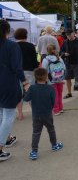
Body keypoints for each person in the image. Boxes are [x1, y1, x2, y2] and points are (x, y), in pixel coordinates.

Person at [0, 20, 29, 161]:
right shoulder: (12, 46)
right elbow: (17, 67)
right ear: (7, 31)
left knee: (1, 114)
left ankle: (7, 138)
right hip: (8, 83)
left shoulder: (11, 45)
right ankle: (0, 147)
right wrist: (25, 82)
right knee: (8, 116)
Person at [23, 68, 63, 160]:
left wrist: (26, 91)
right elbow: (53, 102)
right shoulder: (50, 88)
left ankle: (34, 151)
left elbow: (26, 99)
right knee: (51, 129)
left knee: (36, 132)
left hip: (36, 114)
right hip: (47, 114)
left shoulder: (32, 88)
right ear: (46, 78)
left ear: (35, 77)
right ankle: (54, 145)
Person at [14, 28, 39, 120]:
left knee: (19, 93)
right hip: (29, 71)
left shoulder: (13, 46)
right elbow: (34, 60)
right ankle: (35, 113)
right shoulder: (30, 46)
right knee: (31, 91)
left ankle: (20, 114)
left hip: (16, 72)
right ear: (26, 35)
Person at [42, 44, 66, 115]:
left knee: (54, 95)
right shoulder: (59, 58)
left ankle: (56, 110)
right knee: (59, 94)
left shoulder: (46, 60)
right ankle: (60, 108)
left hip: (51, 80)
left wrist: (45, 79)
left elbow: (44, 70)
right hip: (60, 79)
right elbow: (64, 68)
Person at [60, 29, 78, 98]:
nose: (69, 36)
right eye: (67, 35)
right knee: (68, 78)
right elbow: (61, 51)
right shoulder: (65, 42)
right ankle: (69, 93)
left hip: (77, 63)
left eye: (70, 34)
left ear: (73, 33)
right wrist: (64, 54)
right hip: (68, 63)